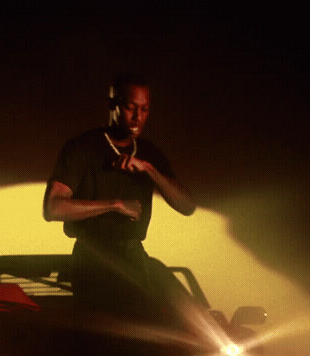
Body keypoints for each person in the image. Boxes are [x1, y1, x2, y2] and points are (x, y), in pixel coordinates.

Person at [44, 73, 196, 320]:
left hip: (134, 258)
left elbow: (187, 206)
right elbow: (53, 208)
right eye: (130, 107)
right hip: (92, 261)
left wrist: (150, 170)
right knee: (101, 342)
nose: (138, 117)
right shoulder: (82, 148)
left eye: (145, 109)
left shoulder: (149, 153)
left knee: (142, 341)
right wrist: (114, 205)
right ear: (112, 104)